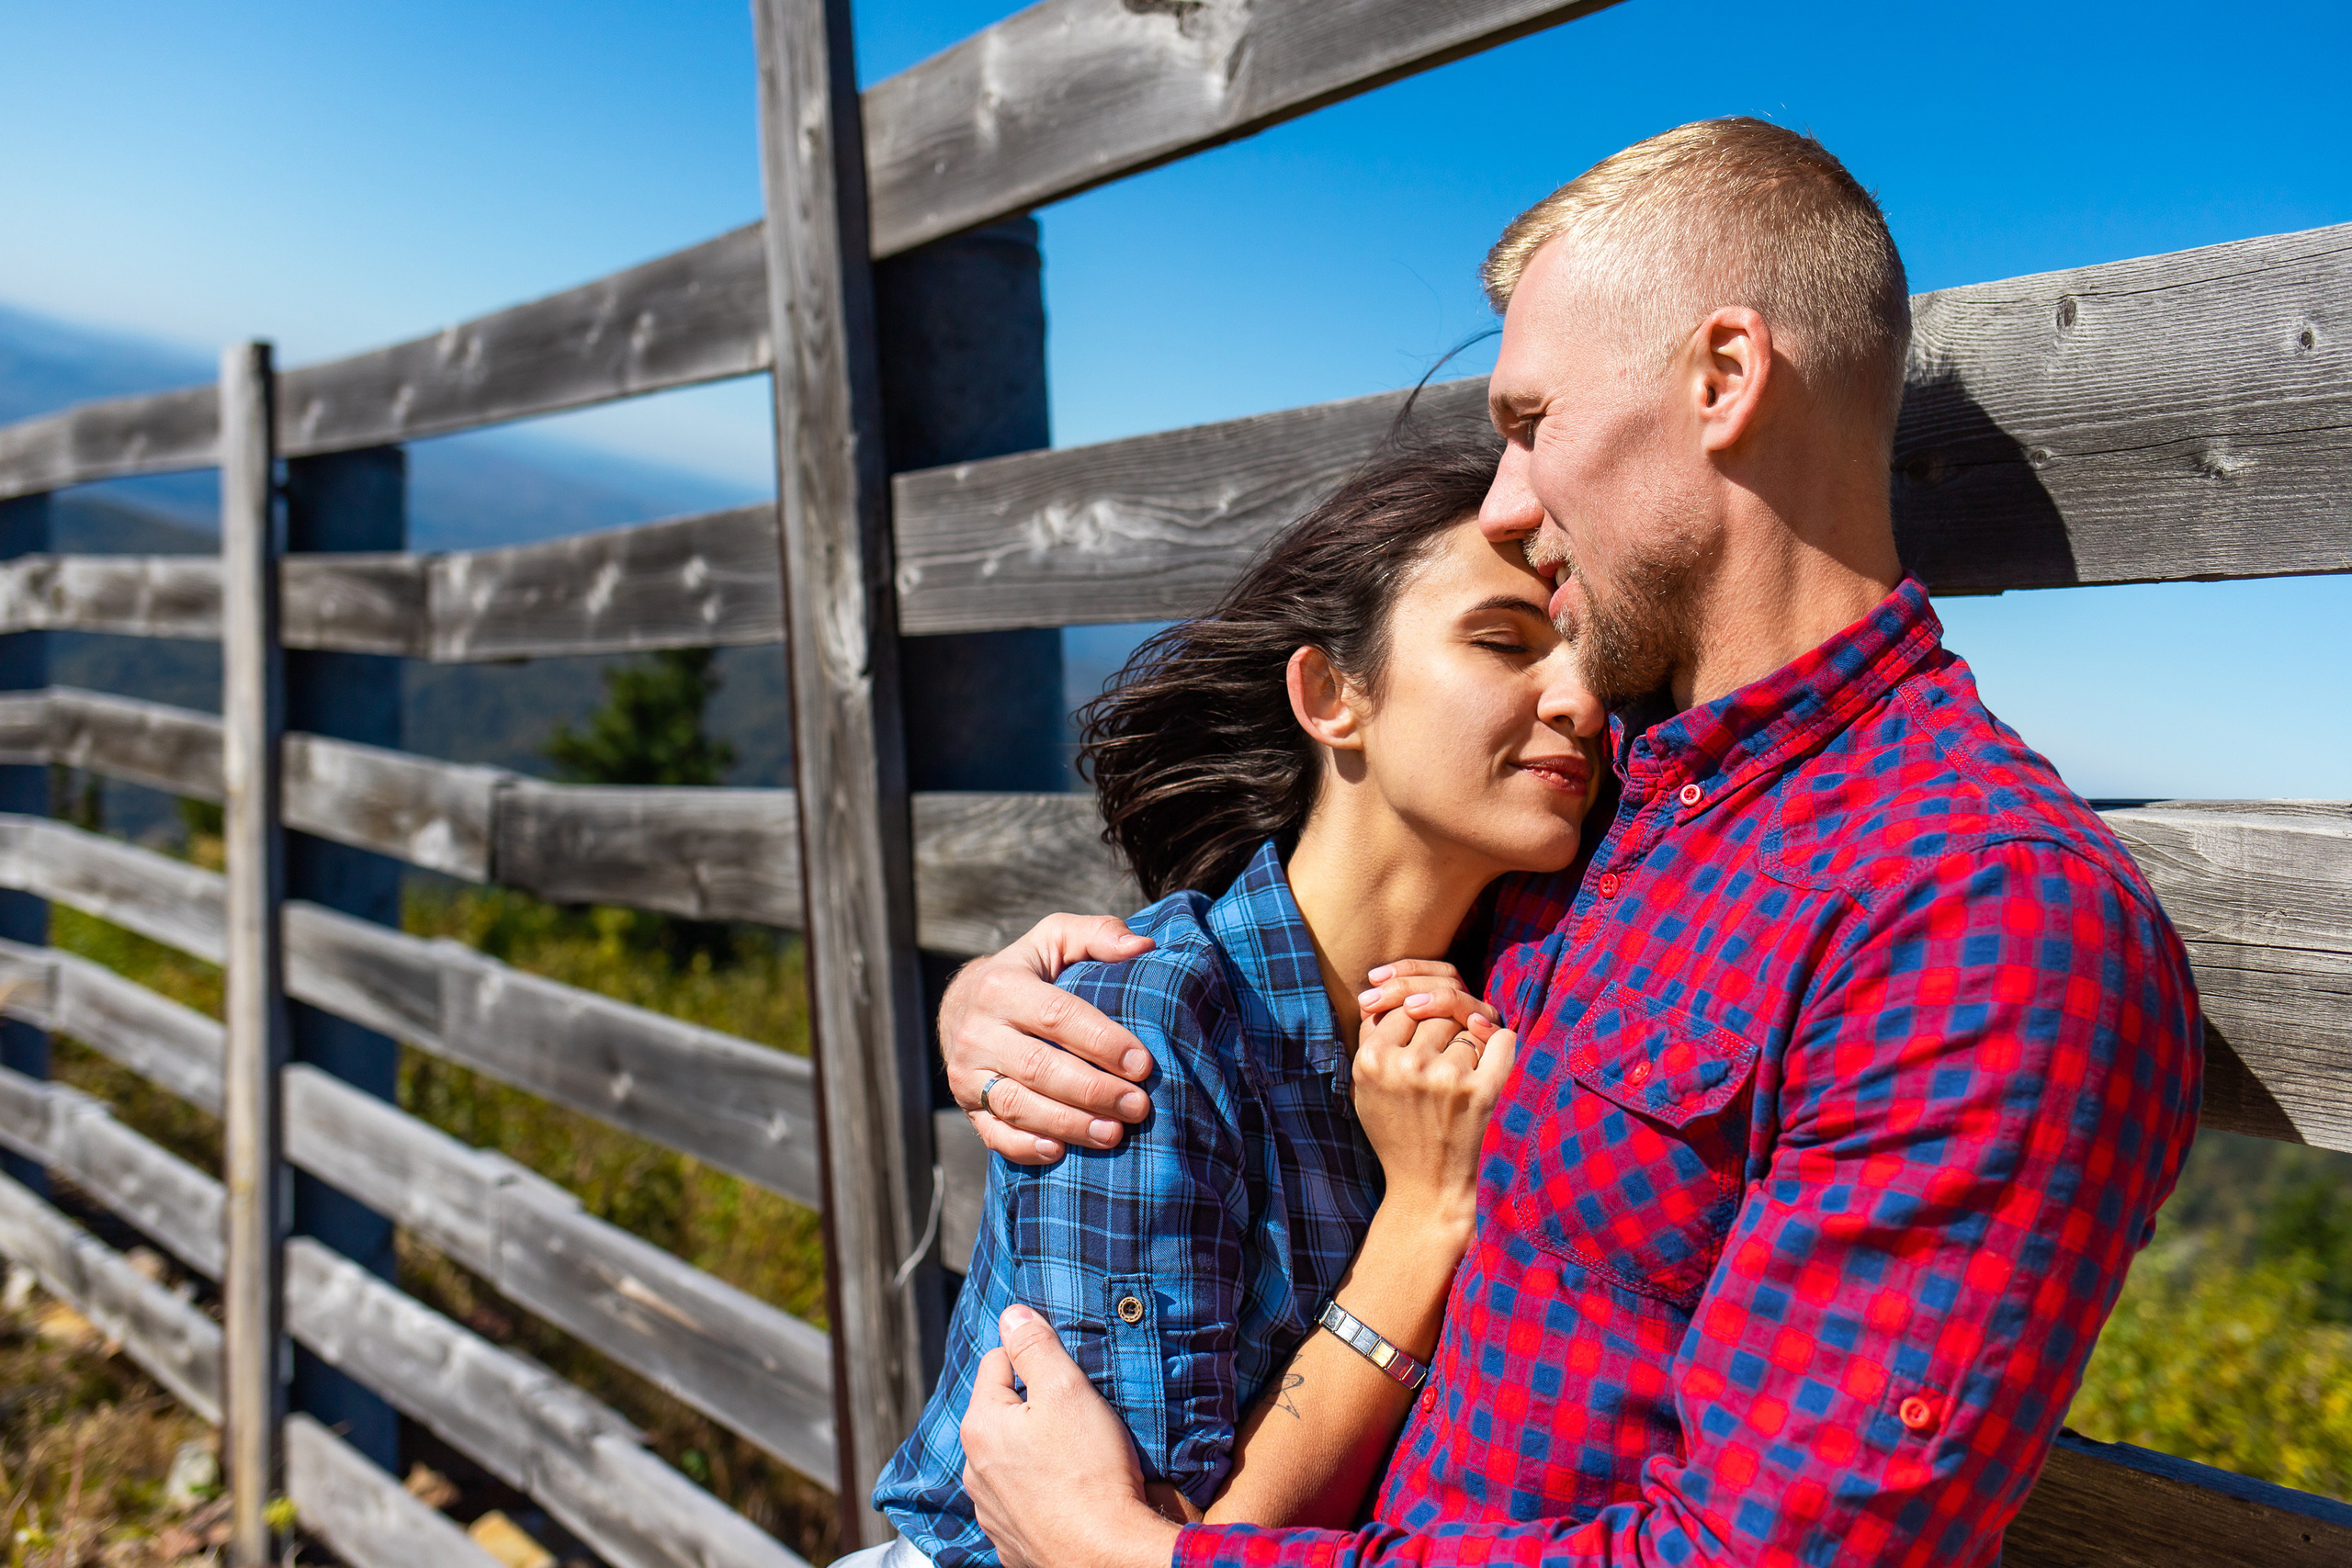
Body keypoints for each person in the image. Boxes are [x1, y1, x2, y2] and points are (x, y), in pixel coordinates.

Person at [936, 118, 2202, 1568]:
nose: (1506, 503)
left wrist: (1143, 1562)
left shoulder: (1979, 914)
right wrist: (1018, 1000)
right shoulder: (1605, 815)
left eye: (1531, 423)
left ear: (1723, 378)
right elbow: (1295, 945)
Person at [865, 434, 1609, 1564]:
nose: (1580, 701)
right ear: (1330, 696)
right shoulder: (1149, 1033)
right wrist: (1420, 1222)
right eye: (1503, 642)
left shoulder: (1507, 1005)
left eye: (1591, 657)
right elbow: (1136, 1541)